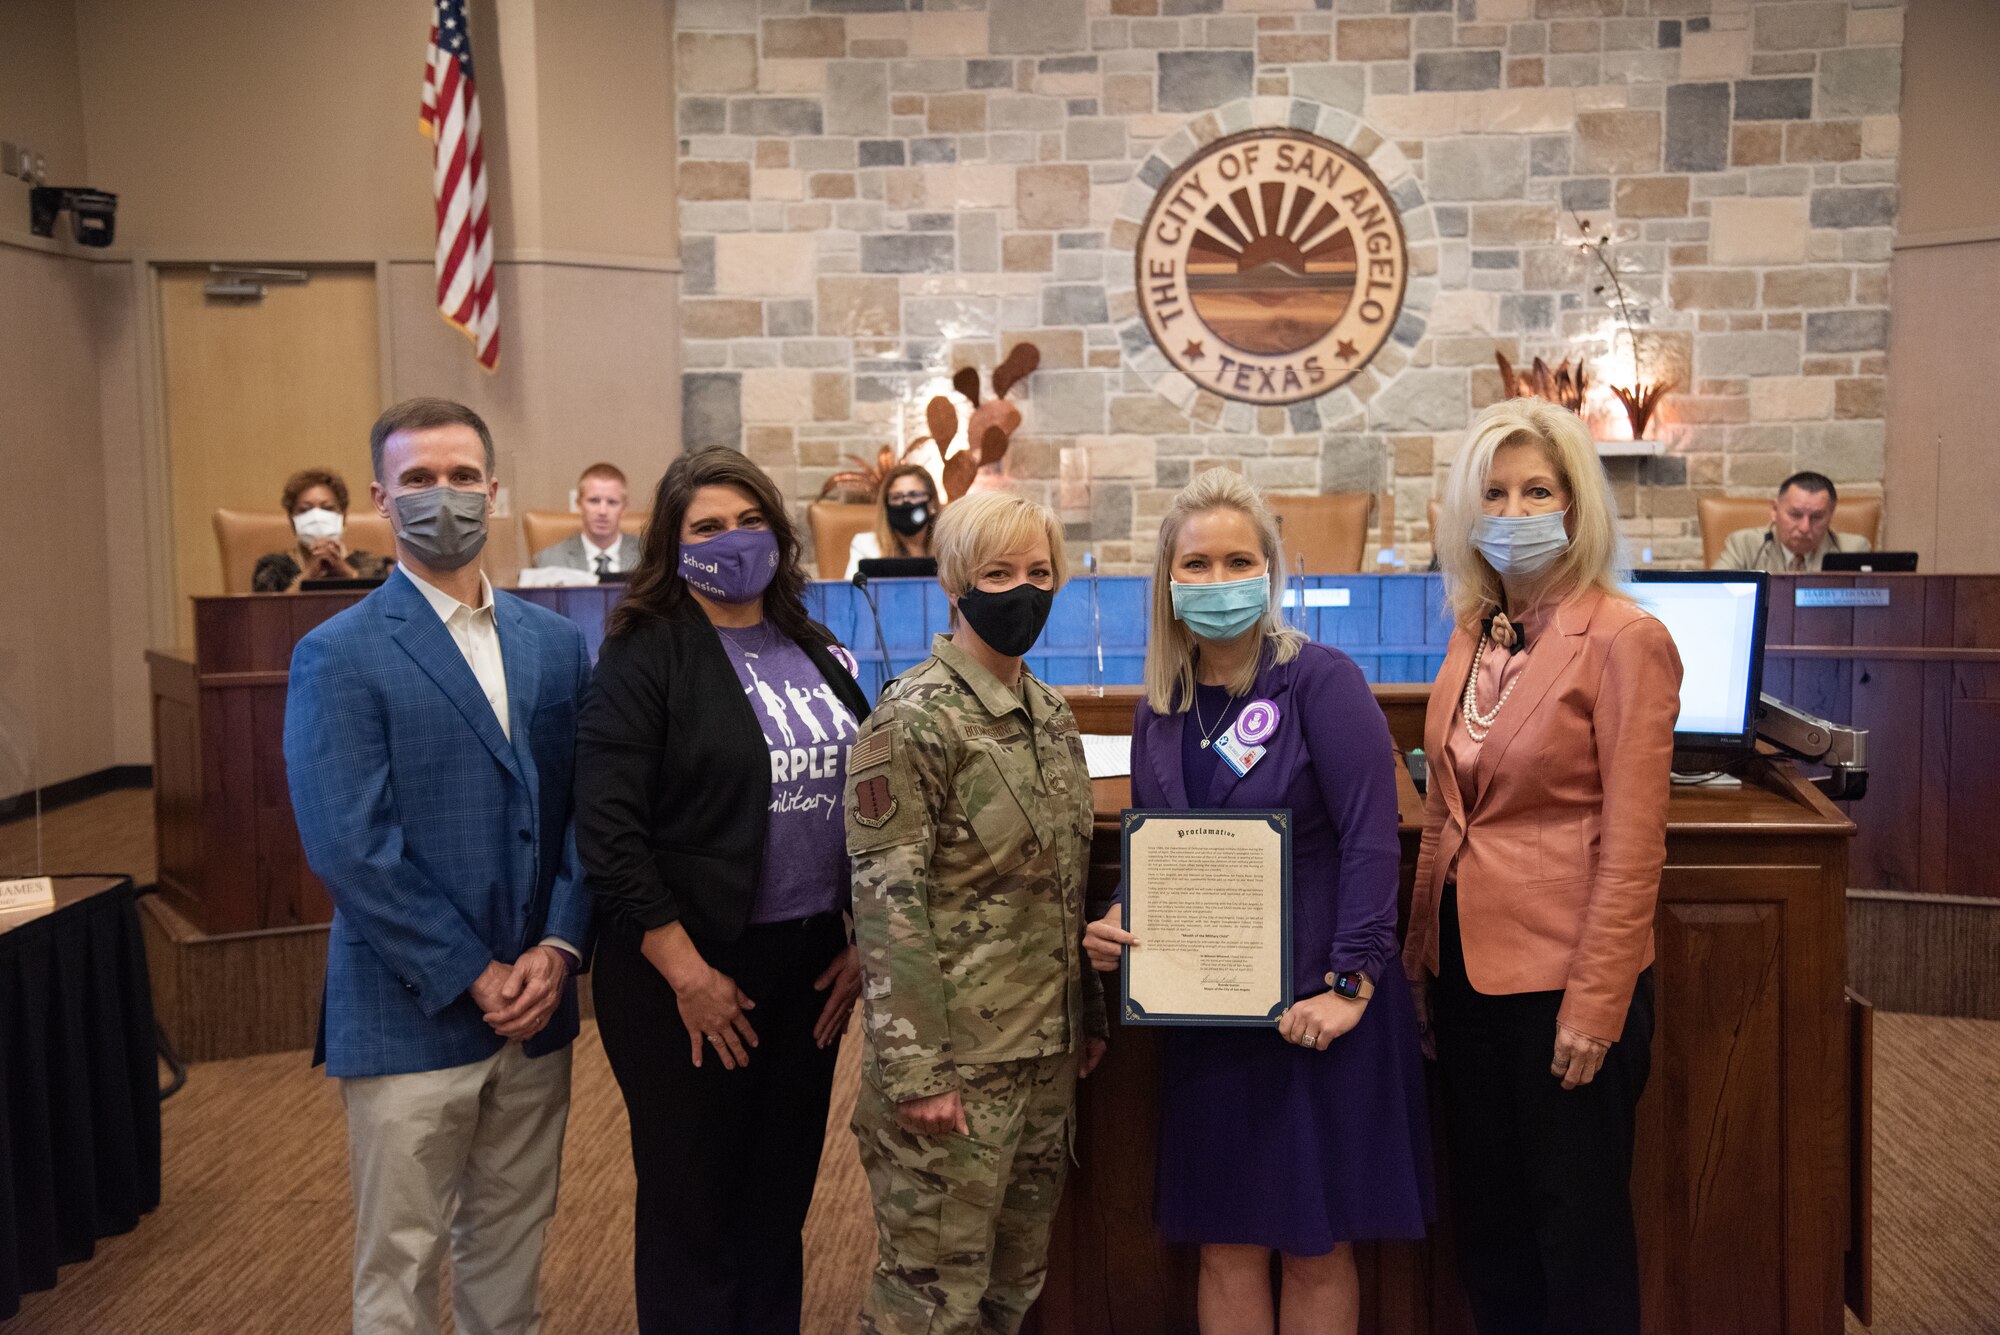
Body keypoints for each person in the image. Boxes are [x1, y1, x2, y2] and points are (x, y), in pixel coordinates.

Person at [1082, 468, 1432, 1335]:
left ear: (1271, 573)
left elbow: (1370, 837)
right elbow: (1161, 843)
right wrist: (1123, 914)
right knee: (1224, 1242)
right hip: (1212, 1013)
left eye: (1239, 559)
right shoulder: (1159, 706)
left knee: (1317, 1245)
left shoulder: (1322, 681)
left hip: (1317, 1008)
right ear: (1168, 582)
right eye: (1196, 564)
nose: (1217, 580)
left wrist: (1350, 986)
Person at [283, 398, 592, 1334]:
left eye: (462, 477)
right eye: (418, 480)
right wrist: (474, 971)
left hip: (537, 1004)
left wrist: (562, 943)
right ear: (382, 499)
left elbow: (586, 816)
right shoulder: (335, 653)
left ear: (495, 493)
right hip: (409, 1006)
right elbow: (350, 844)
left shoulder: (557, 643)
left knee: (511, 1241)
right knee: (403, 1261)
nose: (443, 496)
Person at [574, 447, 871, 1335]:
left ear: (779, 535)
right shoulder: (645, 654)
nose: (733, 540)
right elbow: (610, 832)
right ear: (673, 544)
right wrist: (687, 972)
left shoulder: (814, 644)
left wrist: (862, 937)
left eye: (749, 522)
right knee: (693, 1204)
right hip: (685, 968)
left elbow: (867, 800)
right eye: (707, 526)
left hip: (808, 963)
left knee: (778, 1196)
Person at [1407, 399, 1682, 1335]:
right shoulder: (1477, 631)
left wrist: (1597, 1004)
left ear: (1575, 506)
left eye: (1537, 490)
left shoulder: (1623, 638)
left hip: (1565, 986)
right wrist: (1418, 965)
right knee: (1492, 1226)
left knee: (1578, 1236)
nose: (1513, 510)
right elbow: (1448, 809)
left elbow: (1635, 842)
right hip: (1467, 979)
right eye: (1494, 492)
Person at [844, 490, 1105, 1335]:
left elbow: (1067, 888)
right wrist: (919, 1074)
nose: (1023, 589)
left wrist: (1089, 1015)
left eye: (1039, 571)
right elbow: (887, 910)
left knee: (1010, 1289)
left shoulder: (1051, 715)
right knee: (929, 1302)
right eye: (999, 572)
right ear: (956, 585)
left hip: (1042, 1060)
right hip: (953, 1071)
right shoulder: (912, 719)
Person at [252, 467, 392, 592]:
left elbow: (387, 605)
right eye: (305, 510)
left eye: (327, 508)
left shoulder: (374, 566)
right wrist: (308, 574)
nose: (316, 517)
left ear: (342, 517)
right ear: (292, 521)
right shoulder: (273, 568)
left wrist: (347, 573)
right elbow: (267, 613)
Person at [1713, 470, 1872, 572]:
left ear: (1831, 514)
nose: (1805, 527)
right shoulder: (1745, 544)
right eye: (1795, 515)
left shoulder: (1853, 550)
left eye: (1816, 517)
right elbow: (1717, 592)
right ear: (1775, 511)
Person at [535, 461, 641, 575]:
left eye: (612, 502)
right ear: (579, 505)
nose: (602, 511)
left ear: (624, 508)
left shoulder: (650, 558)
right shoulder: (548, 561)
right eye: (594, 501)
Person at [845, 463, 941, 578]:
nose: (905, 502)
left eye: (914, 495)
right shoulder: (865, 546)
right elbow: (852, 592)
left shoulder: (950, 547)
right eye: (897, 497)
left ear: (932, 504)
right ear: (886, 505)